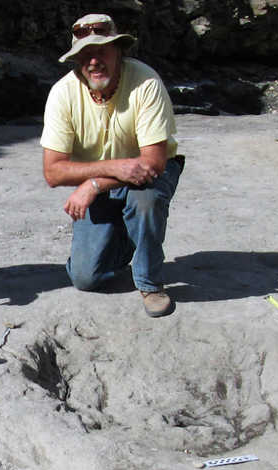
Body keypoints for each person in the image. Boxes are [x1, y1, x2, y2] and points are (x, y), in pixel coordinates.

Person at [40, 13, 184, 317]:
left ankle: (149, 283)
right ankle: (128, 238)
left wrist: (93, 184)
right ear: (76, 59)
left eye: (101, 51)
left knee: (144, 201)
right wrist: (112, 171)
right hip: (107, 179)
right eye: (85, 55)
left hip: (150, 175)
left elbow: (153, 162)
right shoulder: (62, 94)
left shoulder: (146, 82)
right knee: (85, 278)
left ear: (118, 51)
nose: (94, 61)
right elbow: (53, 171)